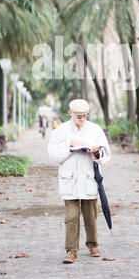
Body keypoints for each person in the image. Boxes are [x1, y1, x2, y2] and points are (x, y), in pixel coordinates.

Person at [47, 99, 111, 264]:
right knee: (71, 217)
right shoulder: (60, 131)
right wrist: (70, 145)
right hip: (70, 179)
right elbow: (53, 153)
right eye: (78, 116)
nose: (82, 119)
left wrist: (96, 153)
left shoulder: (95, 129)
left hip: (89, 178)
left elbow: (105, 154)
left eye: (84, 116)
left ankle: (93, 245)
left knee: (91, 216)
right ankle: (71, 250)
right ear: (70, 113)